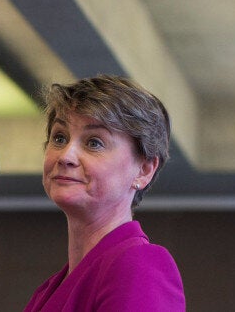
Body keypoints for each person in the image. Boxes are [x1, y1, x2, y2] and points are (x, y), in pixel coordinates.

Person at [23, 75, 185, 312]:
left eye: (94, 142)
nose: (65, 156)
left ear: (144, 169)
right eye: (60, 137)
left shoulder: (140, 266)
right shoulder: (48, 291)